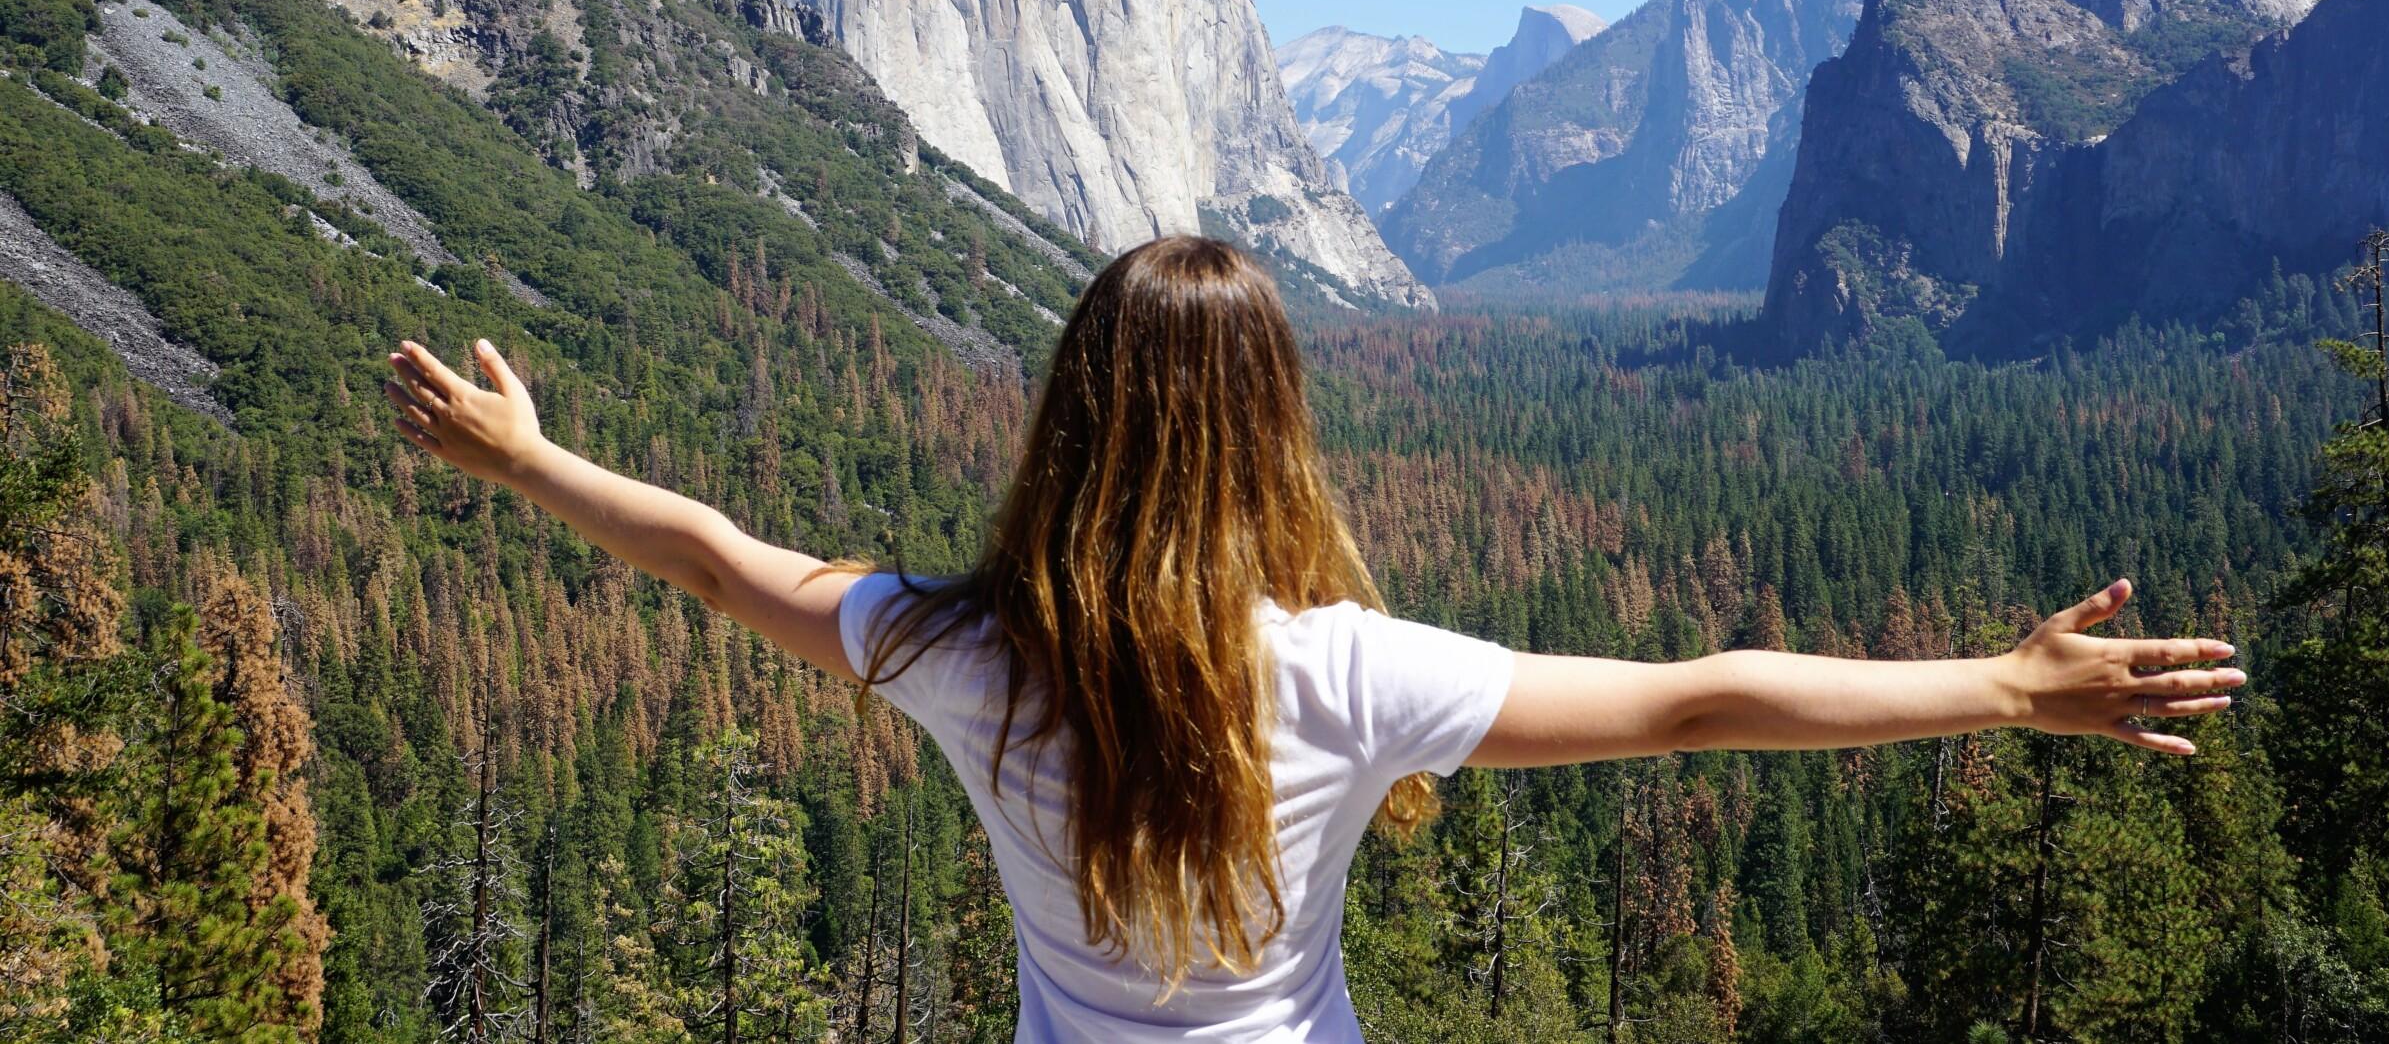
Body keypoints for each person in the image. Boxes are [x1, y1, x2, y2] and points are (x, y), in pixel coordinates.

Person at [385, 235, 2242, 1042]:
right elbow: (1696, 704)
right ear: (1269, 428)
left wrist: (531, 459)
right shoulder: (1348, 673)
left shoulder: (962, 651)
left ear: (1076, 418)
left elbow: (717, 564)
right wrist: (2004, 685)